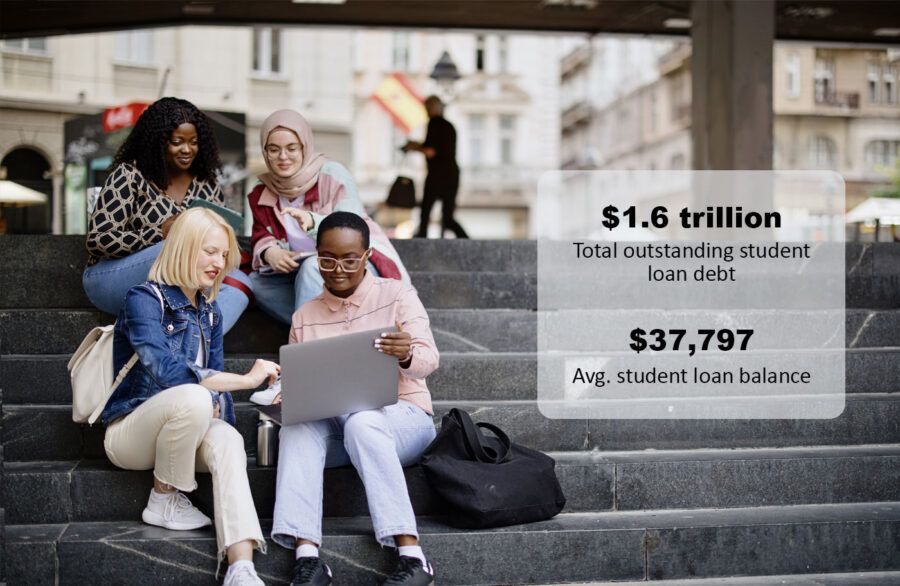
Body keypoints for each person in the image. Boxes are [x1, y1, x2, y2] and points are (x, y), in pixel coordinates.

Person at [101, 208, 277, 586]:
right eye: (210, 251)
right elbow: (164, 369)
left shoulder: (209, 313)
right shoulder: (143, 300)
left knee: (228, 437)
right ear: (182, 248)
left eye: (224, 255)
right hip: (131, 435)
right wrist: (245, 381)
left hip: (183, 432)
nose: (219, 263)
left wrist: (220, 403)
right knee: (195, 396)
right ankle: (163, 498)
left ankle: (241, 567)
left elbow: (213, 394)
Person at [271, 212, 437, 586]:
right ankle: (308, 558)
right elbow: (303, 383)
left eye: (349, 259)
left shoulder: (397, 294)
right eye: (327, 259)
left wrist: (406, 353)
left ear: (367, 256)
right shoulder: (304, 316)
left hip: (403, 420)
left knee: (363, 419)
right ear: (316, 255)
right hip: (341, 433)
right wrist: (288, 395)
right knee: (297, 429)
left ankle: (412, 556)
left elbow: (428, 361)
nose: (338, 269)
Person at [83, 97, 253, 333]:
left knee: (240, 283)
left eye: (194, 142)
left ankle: (192, 342)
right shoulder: (129, 174)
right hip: (111, 279)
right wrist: (160, 232)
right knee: (179, 246)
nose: (187, 150)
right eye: (177, 142)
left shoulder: (207, 184)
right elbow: (98, 239)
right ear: (158, 141)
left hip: (184, 280)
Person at [248, 109, 410, 325]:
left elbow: (351, 228)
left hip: (351, 264)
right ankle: (339, 324)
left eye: (291, 148)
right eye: (274, 149)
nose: (283, 157)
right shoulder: (262, 190)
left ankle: (310, 340)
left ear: (304, 147)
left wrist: (314, 222)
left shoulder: (332, 174)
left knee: (312, 267)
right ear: (265, 151)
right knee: (255, 283)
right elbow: (260, 231)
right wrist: (270, 252)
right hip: (298, 274)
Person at [403, 95, 468, 239]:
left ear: (430, 109)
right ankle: (468, 242)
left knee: (425, 213)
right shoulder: (449, 126)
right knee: (448, 217)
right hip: (452, 174)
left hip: (438, 174)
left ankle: (421, 244)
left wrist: (413, 147)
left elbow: (431, 151)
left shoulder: (434, 124)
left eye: (427, 108)